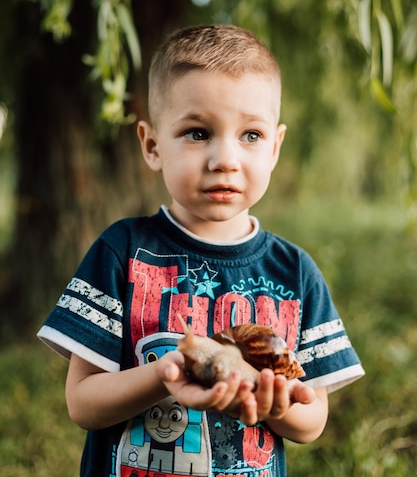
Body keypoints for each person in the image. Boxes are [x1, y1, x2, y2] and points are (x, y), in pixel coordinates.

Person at [38, 24, 364, 477]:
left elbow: (312, 420)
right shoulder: (121, 251)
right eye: (197, 132)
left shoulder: (295, 272)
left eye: (250, 135)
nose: (224, 158)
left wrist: (269, 403)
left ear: (275, 147)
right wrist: (164, 374)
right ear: (152, 146)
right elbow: (82, 403)